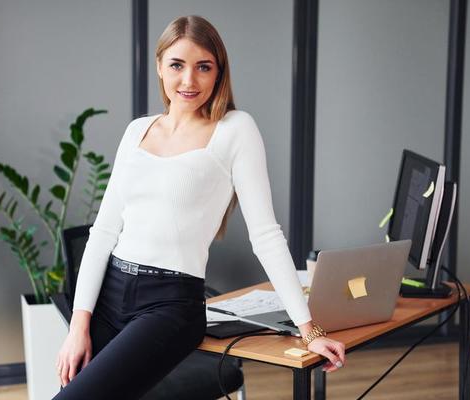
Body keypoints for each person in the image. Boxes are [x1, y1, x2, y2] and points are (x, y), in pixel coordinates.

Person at [53, 15, 345, 400]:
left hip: (170, 305)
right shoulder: (136, 131)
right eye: (177, 65)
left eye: (203, 67)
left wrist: (309, 329)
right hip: (109, 295)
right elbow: (103, 232)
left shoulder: (235, 129)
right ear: (159, 66)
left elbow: (266, 235)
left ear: (218, 72)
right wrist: (78, 325)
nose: (189, 81)